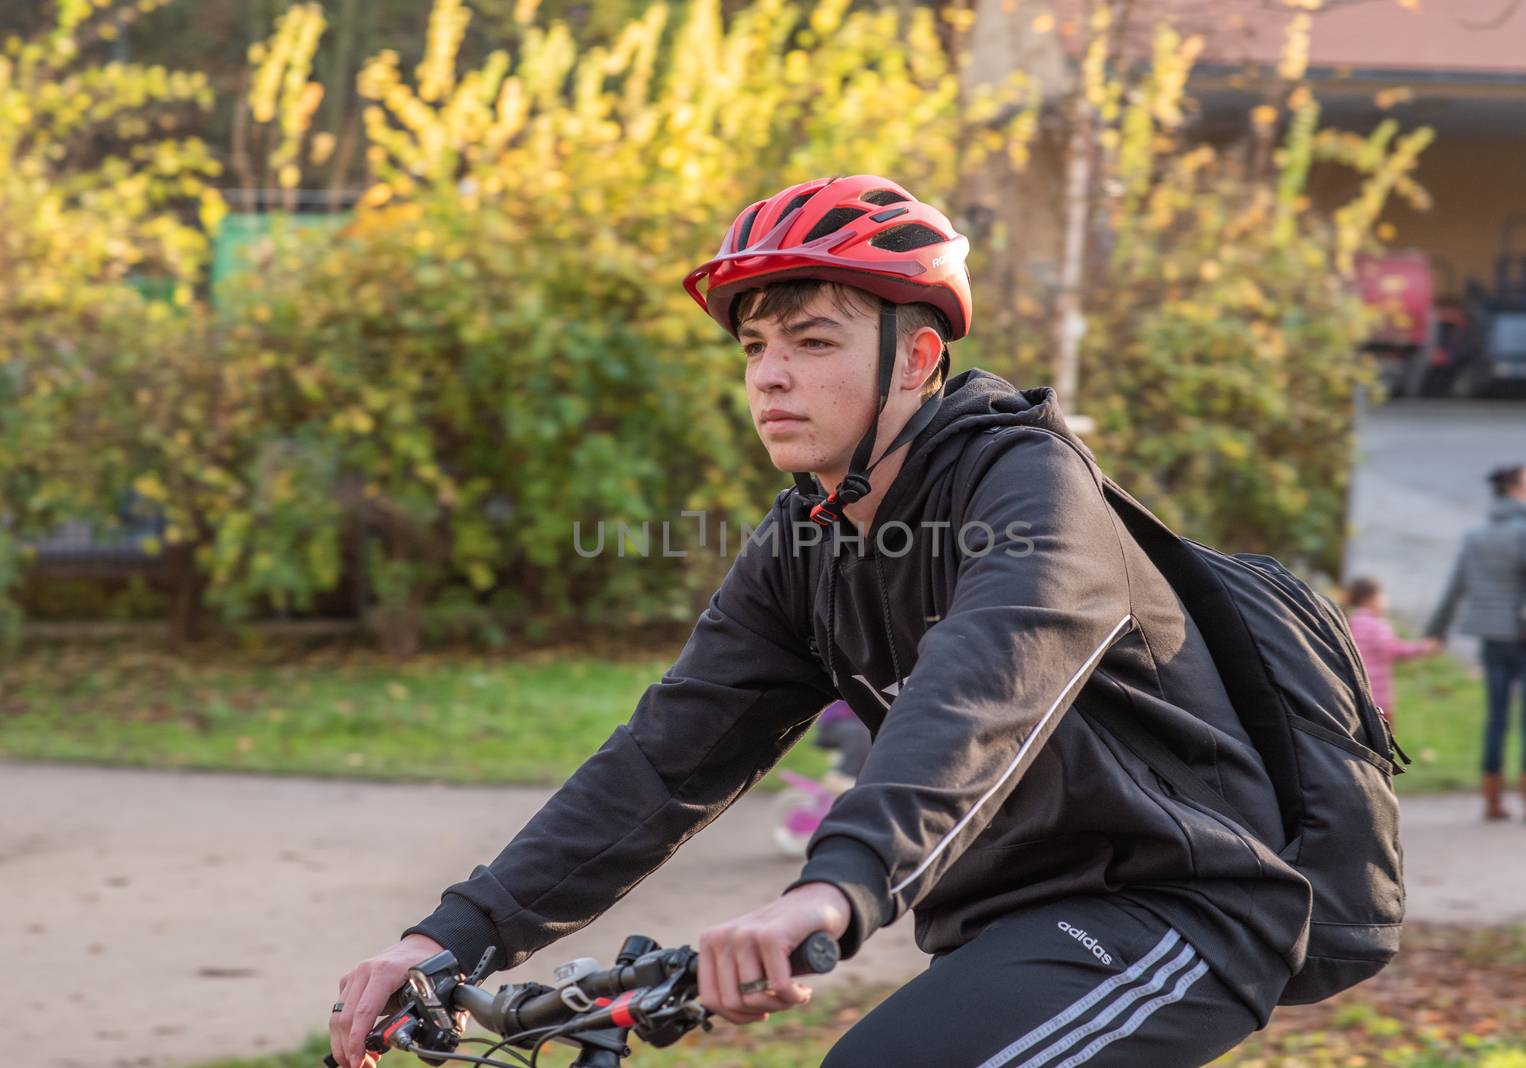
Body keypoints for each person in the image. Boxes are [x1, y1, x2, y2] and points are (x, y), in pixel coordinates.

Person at [329, 175, 1312, 1068]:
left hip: (1172, 911)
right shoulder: (808, 536)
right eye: (755, 345)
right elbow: (668, 757)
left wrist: (833, 886)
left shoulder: (1029, 487)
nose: (768, 375)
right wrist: (451, 934)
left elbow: (980, 686)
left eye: (812, 340)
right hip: (1003, 930)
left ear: (916, 356)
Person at [1425, 464, 1526, 822]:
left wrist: (1437, 630)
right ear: (1515, 490)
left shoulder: (1476, 535)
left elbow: (1455, 586)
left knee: (1495, 718)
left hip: (1492, 639)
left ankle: (1492, 801)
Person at [1343, 576, 1441, 726]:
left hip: (1356, 693)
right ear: (1371, 599)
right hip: (1378, 697)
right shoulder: (1376, 624)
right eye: (1383, 596)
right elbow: (1394, 650)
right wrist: (1423, 647)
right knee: (1384, 740)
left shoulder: (1350, 621)